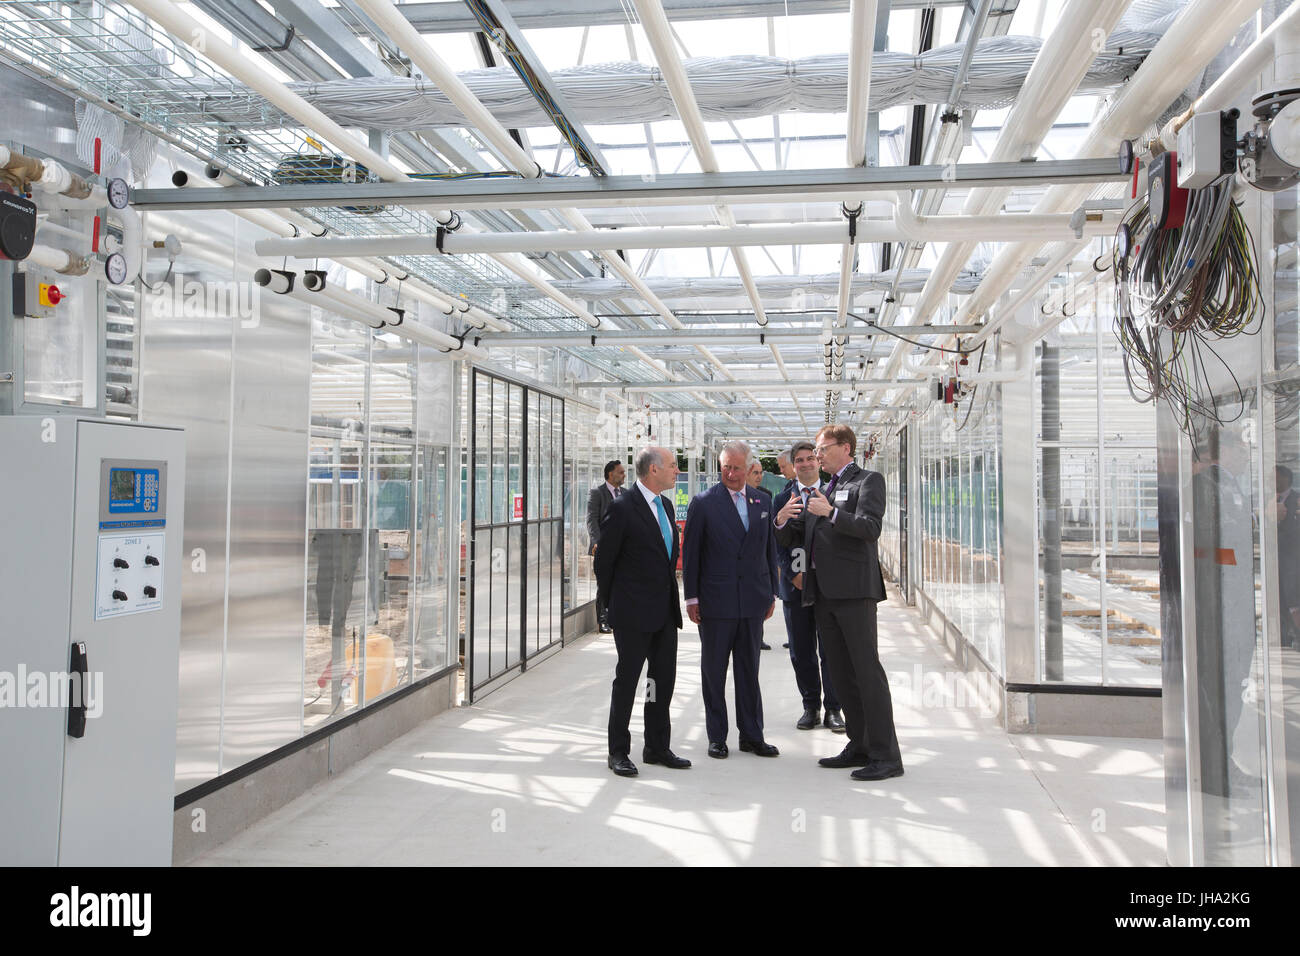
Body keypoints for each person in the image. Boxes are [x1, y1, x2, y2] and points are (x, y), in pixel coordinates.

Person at [775, 424, 902, 782]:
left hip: (854, 593)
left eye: (823, 448)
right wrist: (782, 520)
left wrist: (831, 513)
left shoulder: (868, 481)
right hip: (824, 595)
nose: (817, 455)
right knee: (842, 675)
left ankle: (886, 755)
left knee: (866, 673)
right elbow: (799, 535)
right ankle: (858, 744)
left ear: (845, 448)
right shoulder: (825, 488)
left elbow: (870, 528)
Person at [682, 440, 781, 759]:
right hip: (715, 602)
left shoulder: (762, 501)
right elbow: (691, 553)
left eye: (738, 467)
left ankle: (752, 735)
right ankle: (717, 736)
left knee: (749, 670)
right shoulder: (703, 502)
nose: (732, 473)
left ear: (750, 467)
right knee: (714, 670)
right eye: (726, 466)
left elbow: (769, 551)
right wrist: (692, 598)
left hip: (753, 600)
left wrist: (770, 592)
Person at [596, 447, 690, 777]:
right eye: (673, 466)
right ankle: (618, 751)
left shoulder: (664, 505)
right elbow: (603, 562)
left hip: (664, 613)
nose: (677, 471)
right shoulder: (623, 508)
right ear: (653, 470)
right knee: (628, 682)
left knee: (660, 682)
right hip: (632, 614)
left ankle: (656, 746)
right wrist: (608, 608)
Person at [772, 440, 844, 733]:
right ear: (793, 465)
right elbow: (775, 544)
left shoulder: (834, 493)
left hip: (827, 587)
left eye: (809, 459)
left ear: (818, 461)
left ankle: (834, 709)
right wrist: (791, 574)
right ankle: (810, 706)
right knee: (801, 651)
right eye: (798, 460)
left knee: (831, 650)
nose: (804, 464)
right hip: (795, 587)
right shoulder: (783, 499)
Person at [587, 459, 626, 633]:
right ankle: (603, 620)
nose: (624, 475)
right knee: (604, 583)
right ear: (611, 474)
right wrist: (597, 542)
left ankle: (617, 616)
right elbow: (591, 520)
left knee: (621, 583)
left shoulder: (626, 493)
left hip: (623, 549)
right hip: (603, 548)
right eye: (621, 472)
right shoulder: (597, 493)